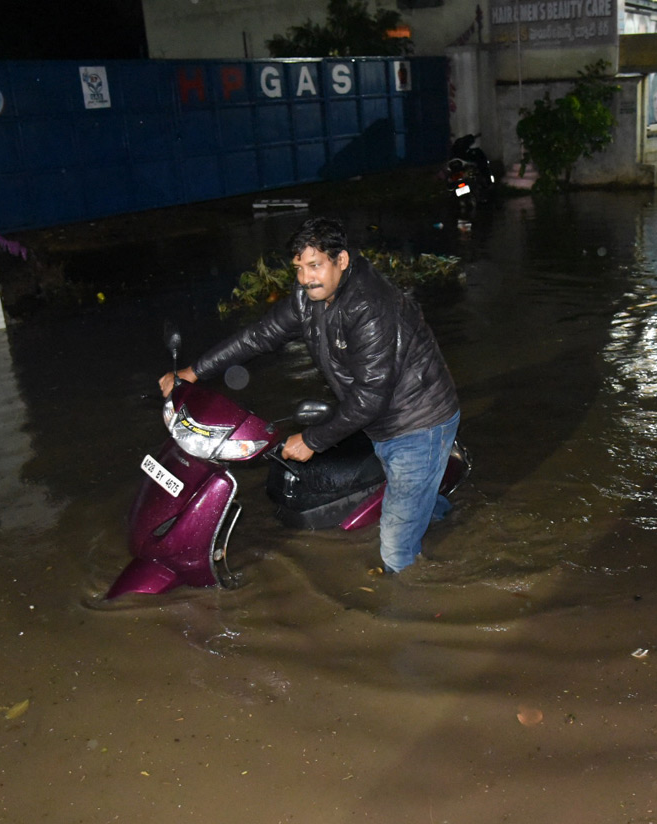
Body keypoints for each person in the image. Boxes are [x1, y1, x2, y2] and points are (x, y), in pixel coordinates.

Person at [159, 216, 460, 574]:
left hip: (418, 423)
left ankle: (409, 608)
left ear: (342, 260)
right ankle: (443, 514)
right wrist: (194, 371)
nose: (305, 279)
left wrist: (313, 440)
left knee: (395, 548)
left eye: (315, 266)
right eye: (299, 268)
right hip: (384, 421)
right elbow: (259, 336)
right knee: (410, 495)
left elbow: (369, 398)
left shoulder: (370, 307)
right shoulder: (310, 297)